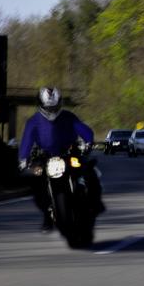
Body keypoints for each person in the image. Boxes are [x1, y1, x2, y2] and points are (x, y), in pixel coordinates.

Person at [19, 87, 105, 232]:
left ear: (59, 103)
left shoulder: (68, 117)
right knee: (37, 182)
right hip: (45, 157)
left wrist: (88, 142)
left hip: (69, 153)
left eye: (54, 107)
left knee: (88, 169)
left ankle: (92, 202)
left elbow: (84, 130)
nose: (52, 110)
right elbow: (26, 141)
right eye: (48, 107)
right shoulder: (33, 122)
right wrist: (23, 159)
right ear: (41, 105)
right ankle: (47, 216)